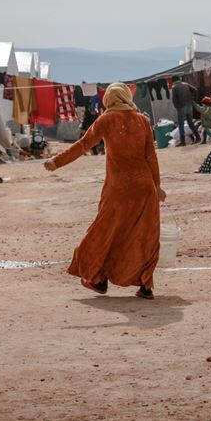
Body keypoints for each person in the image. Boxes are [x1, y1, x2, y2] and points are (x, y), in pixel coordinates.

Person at [43, 82, 166, 299]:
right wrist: (157, 186)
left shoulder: (106, 120)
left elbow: (83, 145)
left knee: (103, 233)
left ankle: (98, 279)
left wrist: (56, 162)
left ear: (109, 99)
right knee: (144, 236)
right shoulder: (143, 121)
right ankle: (145, 285)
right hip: (144, 187)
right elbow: (151, 158)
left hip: (118, 190)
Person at [171, 76, 201, 147]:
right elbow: (195, 90)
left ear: (173, 81)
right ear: (179, 79)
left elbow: (174, 99)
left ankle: (183, 142)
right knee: (190, 123)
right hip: (189, 106)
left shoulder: (174, 87)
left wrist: (177, 107)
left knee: (181, 125)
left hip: (181, 107)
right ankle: (198, 138)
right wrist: (192, 99)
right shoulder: (186, 84)